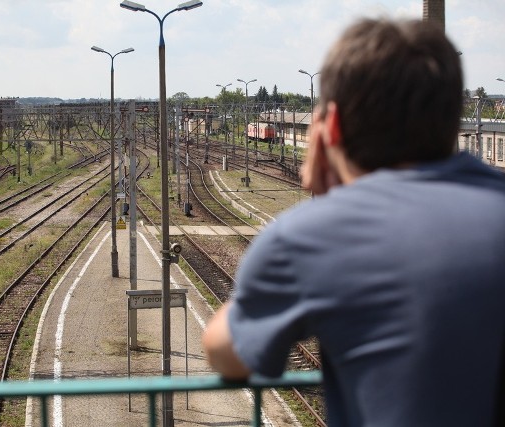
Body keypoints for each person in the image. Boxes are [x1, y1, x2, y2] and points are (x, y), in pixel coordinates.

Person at [202, 18, 505, 426]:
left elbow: (226, 354)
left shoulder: (311, 237)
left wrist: (328, 207)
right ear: (454, 119)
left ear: (331, 128)